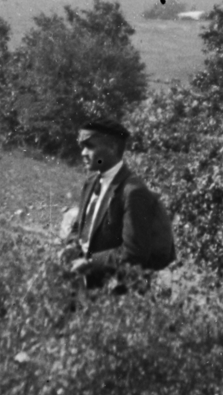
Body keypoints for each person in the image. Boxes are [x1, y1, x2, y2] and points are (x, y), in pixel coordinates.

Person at [58, 118, 175, 288]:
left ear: (112, 148)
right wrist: (71, 246)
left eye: (90, 146)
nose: (83, 153)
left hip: (115, 291)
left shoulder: (134, 192)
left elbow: (134, 252)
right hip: (83, 281)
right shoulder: (91, 182)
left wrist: (91, 263)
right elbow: (80, 226)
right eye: (82, 147)